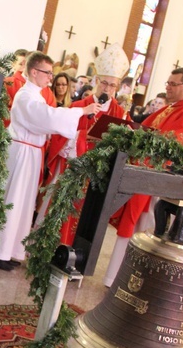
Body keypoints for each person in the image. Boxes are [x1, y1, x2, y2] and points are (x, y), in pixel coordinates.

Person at [103, 67, 183, 286]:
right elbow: (147, 129)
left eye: (173, 84)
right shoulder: (177, 108)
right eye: (168, 84)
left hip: (160, 187)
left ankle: (127, 281)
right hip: (150, 179)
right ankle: (118, 278)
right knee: (137, 230)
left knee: (145, 232)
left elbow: (170, 146)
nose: (168, 88)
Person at [0, 51, 86, 271]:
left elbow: (49, 114)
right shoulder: (26, 95)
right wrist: (80, 111)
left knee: (24, 203)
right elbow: (47, 117)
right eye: (47, 73)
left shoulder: (38, 94)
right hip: (22, 152)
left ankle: (13, 249)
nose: (50, 78)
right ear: (34, 72)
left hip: (32, 152)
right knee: (13, 200)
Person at [36, 43, 130, 245]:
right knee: (59, 205)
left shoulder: (119, 113)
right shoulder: (79, 106)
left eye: (113, 85)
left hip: (96, 175)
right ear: (96, 81)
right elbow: (60, 135)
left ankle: (73, 248)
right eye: (104, 83)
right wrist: (79, 138)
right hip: (72, 167)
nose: (108, 89)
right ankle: (46, 244)